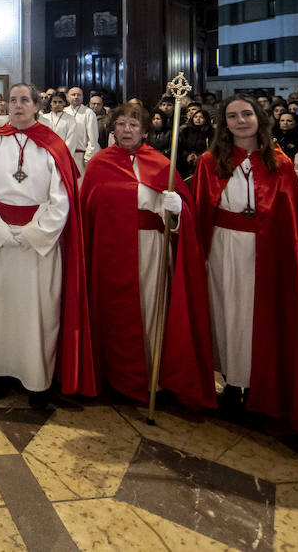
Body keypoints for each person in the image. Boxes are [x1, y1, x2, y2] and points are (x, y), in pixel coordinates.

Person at [77, 102, 215, 408]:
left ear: (145, 131)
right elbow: (88, 209)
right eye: (122, 124)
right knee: (115, 314)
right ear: (113, 128)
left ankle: (154, 376)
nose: (127, 130)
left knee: (152, 310)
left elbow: (186, 215)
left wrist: (179, 212)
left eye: (134, 125)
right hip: (111, 251)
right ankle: (116, 374)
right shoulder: (99, 164)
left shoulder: (162, 164)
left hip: (153, 247)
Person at [0, 83, 91, 407]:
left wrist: (34, 233)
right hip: (1, 243)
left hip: (38, 246)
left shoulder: (54, 147)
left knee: (39, 312)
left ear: (37, 105)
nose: (17, 105)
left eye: (24, 100)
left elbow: (60, 198)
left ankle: (38, 381)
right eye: (12, 100)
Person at [192, 96, 298, 427]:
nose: (241, 120)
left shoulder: (280, 163)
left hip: (263, 250)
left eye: (247, 114)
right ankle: (230, 382)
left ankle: (258, 384)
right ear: (224, 123)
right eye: (232, 116)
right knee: (226, 312)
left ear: (260, 118)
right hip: (223, 246)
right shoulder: (210, 160)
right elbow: (201, 206)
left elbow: (290, 215)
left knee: (256, 315)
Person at [40, 91, 88, 171]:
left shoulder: (71, 119)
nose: (57, 104)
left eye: (60, 102)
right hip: (46, 157)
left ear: (64, 103)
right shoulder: (43, 118)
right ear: (50, 103)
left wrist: (60, 156)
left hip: (63, 158)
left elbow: (71, 141)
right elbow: (41, 139)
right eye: (54, 102)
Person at [176, 107, 212, 177]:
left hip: (203, 160)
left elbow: (211, 148)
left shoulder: (211, 131)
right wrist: (187, 156)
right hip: (186, 160)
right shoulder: (186, 131)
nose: (198, 119)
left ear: (206, 119)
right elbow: (181, 147)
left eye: (201, 117)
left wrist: (199, 157)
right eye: (196, 117)